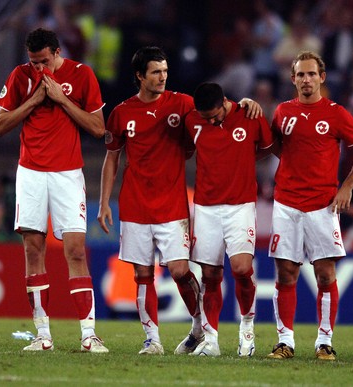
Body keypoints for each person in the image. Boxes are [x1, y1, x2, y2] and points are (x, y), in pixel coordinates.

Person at [97, 47, 261, 356]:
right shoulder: (121, 113)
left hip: (172, 204)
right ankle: (152, 340)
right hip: (134, 204)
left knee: (180, 271)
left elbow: (217, 107)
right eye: (156, 72)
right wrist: (105, 202)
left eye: (165, 71)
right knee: (142, 274)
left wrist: (245, 103)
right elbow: (112, 158)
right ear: (139, 76)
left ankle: (199, 326)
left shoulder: (182, 104)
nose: (162, 77)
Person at [0, 28, 108, 353]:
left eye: (44, 61)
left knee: (74, 249)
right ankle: (43, 334)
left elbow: (99, 128)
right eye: (34, 62)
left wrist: (61, 99)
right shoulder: (20, 76)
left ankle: (88, 334)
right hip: (30, 173)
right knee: (33, 249)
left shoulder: (82, 75)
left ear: (57, 52)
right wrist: (33, 100)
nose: (39, 68)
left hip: (67, 174)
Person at [266, 51, 353, 360]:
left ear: (322, 78)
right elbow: (276, 146)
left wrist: (347, 187)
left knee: (325, 274)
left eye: (312, 74)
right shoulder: (282, 112)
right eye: (300, 75)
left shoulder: (336, 113)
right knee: (286, 273)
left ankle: (324, 341)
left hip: (322, 206)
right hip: (286, 203)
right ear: (293, 79)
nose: (306, 79)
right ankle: (285, 342)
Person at [184, 82, 273, 357]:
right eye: (206, 117)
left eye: (215, 115)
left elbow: (268, 147)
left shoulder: (250, 115)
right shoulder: (192, 120)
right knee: (210, 275)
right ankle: (210, 340)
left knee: (242, 268)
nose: (210, 121)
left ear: (225, 102)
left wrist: (243, 157)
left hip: (240, 205)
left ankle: (247, 329)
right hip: (206, 207)